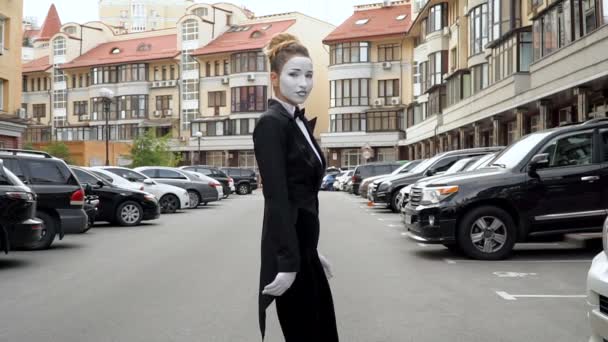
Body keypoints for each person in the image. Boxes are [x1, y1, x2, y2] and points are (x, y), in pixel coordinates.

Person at [253, 33, 339, 342]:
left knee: (322, 331)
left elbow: (305, 196)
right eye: (293, 74)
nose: (303, 83)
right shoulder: (271, 124)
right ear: (274, 78)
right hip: (291, 256)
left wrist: (312, 250)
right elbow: (277, 199)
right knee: (306, 334)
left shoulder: (296, 123)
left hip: (305, 249)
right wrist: (288, 263)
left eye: (309, 75)